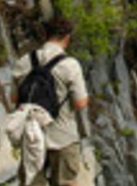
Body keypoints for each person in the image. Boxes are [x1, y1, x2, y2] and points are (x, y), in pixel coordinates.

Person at [12, 15, 89, 186]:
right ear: (67, 38)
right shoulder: (70, 65)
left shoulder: (23, 62)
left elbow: (15, 99)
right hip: (63, 137)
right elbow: (80, 103)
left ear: (45, 35)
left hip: (32, 138)